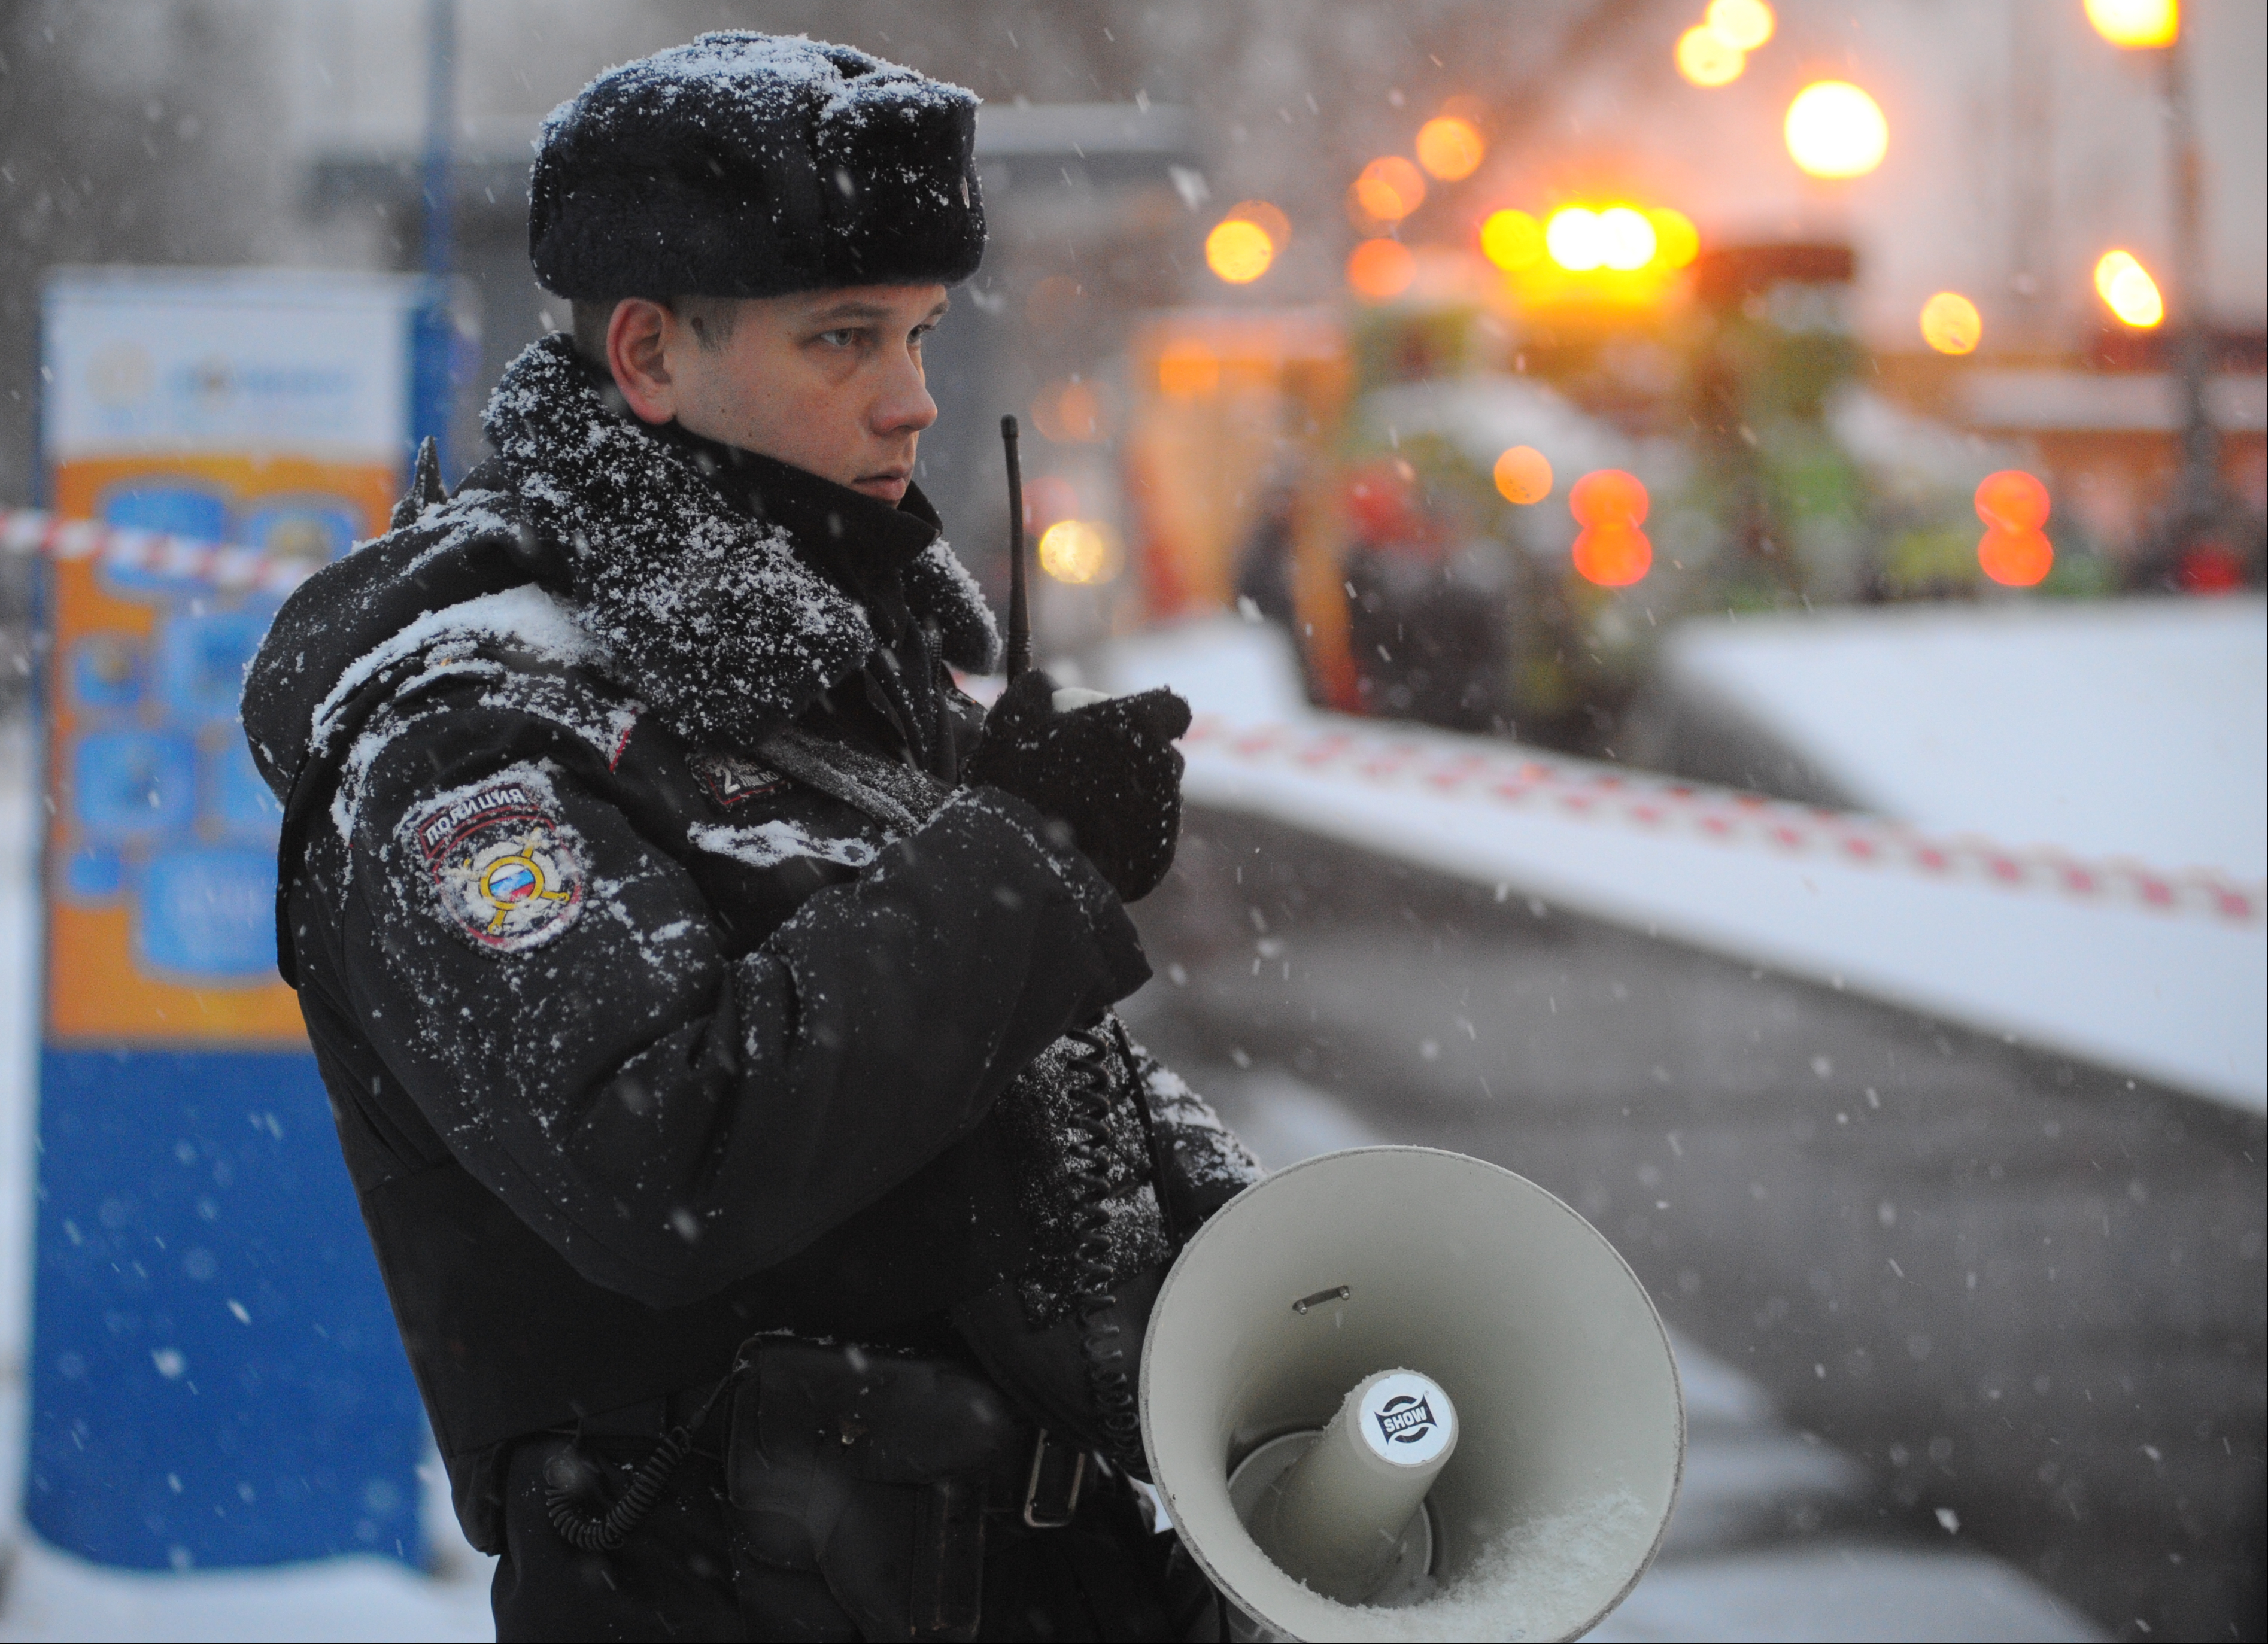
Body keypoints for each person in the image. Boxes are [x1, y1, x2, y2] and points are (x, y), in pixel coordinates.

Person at [241, 32, 1257, 1642]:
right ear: (648, 354)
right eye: (846, 336)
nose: (915, 395)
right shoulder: (470, 736)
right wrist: (1025, 860)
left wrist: (1285, 1289)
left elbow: (986, 1126)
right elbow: (666, 1158)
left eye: (920, 331)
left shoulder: (818, 661)